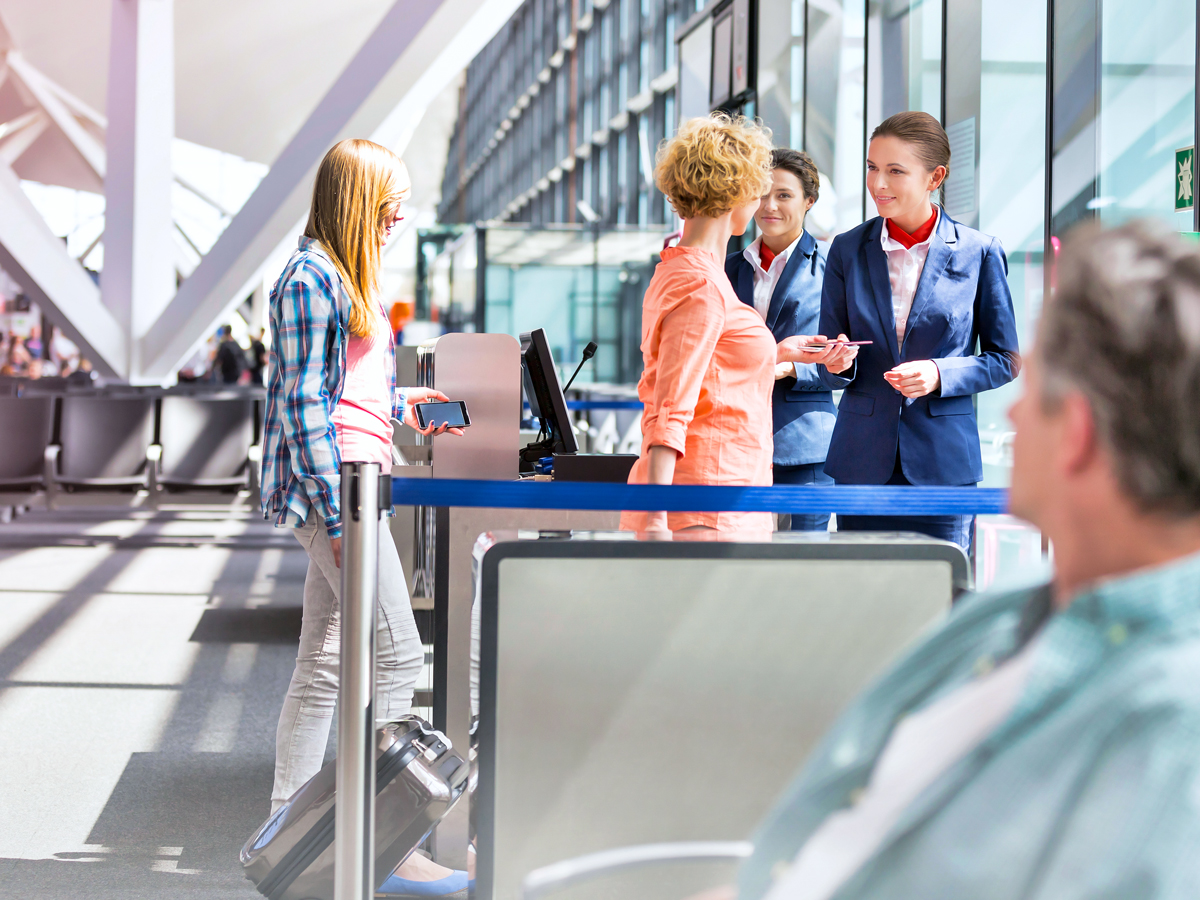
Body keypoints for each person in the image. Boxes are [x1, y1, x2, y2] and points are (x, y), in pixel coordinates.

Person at [706, 220, 1200, 900]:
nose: (1014, 419)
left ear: (1078, 432)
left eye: (1038, 394)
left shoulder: (1168, 721)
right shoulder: (1000, 619)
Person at [260, 138, 467, 896]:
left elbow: (346, 395)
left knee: (322, 664)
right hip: (340, 493)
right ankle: (384, 844)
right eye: (391, 201)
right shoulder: (311, 279)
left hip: (355, 482)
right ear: (358, 200)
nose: (401, 215)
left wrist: (409, 407)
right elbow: (301, 411)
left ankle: (290, 838)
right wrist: (339, 520)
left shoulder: (343, 276)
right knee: (399, 657)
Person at [620, 115, 842, 534]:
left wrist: (779, 353)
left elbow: (708, 366)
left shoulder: (688, 270)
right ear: (737, 191)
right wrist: (654, 520)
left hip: (722, 491)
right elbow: (672, 406)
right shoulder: (701, 284)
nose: (763, 201)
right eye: (758, 188)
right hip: (709, 499)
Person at [818, 111, 1019, 552]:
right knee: (860, 598)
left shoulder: (979, 252)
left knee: (939, 592)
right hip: (861, 460)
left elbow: (1005, 359)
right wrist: (835, 364)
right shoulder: (847, 250)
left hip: (942, 463)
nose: (878, 184)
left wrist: (939, 374)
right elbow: (833, 364)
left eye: (895, 171)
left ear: (936, 177)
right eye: (872, 168)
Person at [725, 149, 836, 531]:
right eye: (761, 193)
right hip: (736, 440)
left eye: (784, 195)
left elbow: (850, 365)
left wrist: (791, 368)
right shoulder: (728, 269)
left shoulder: (833, 270)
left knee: (804, 569)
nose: (769, 206)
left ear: (809, 201)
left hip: (804, 444)